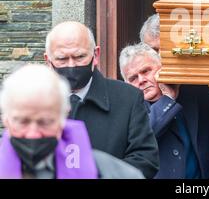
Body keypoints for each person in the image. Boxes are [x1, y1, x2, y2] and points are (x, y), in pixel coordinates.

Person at [44, 21, 159, 178]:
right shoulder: (33, 103)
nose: (71, 65)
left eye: (80, 57)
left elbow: (145, 160)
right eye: (62, 59)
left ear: (95, 55)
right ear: (48, 61)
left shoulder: (128, 98)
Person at [0, 64, 144, 179]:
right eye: (23, 121)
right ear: (6, 120)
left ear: (63, 118)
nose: (33, 134)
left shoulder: (113, 174)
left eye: (44, 122)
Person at [119, 43, 209, 179]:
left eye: (146, 71)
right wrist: (168, 99)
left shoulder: (192, 93)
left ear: (161, 68)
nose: (141, 80)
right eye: (133, 78)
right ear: (126, 84)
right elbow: (144, 134)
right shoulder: (124, 110)